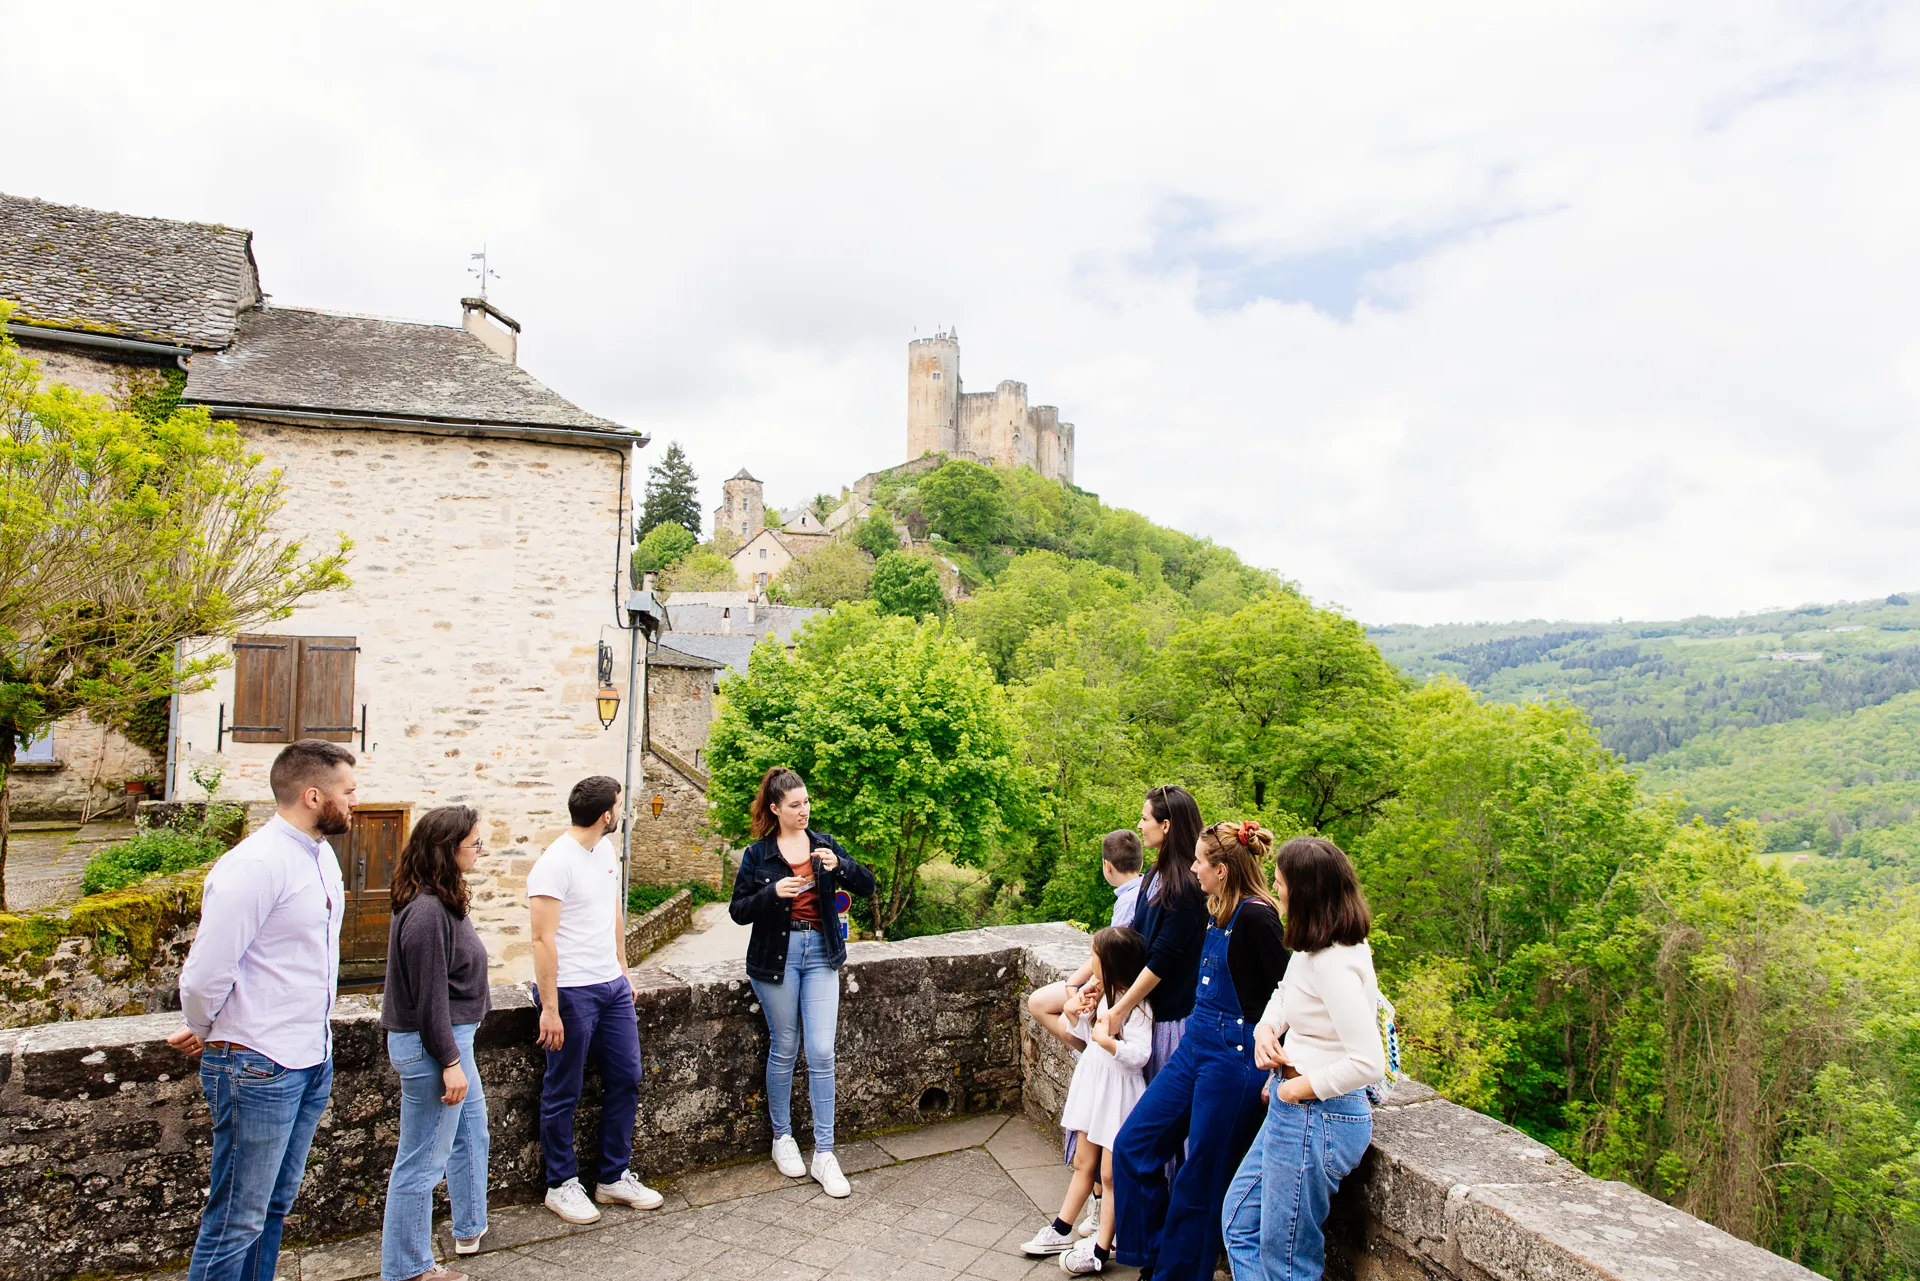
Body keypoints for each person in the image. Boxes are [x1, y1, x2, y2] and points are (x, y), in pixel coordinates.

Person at [167, 739, 356, 1281]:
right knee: (236, 1218)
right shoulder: (254, 864)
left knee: (273, 1208)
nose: (355, 802)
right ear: (313, 795)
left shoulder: (320, 856)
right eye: (349, 791)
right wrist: (206, 1027)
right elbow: (205, 972)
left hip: (309, 1056)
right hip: (257, 1062)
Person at [1111, 821, 1289, 1281]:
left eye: (1200, 862)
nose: (1192, 868)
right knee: (1134, 1145)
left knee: (1200, 1178)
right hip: (1196, 1044)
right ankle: (1156, 1255)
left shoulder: (1257, 916)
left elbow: (1288, 993)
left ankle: (1175, 1274)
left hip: (1234, 1059)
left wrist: (1278, 1068)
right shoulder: (1219, 909)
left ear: (1223, 870)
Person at [1222, 837, 1384, 1281]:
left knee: (1286, 1261)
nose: (1277, 893)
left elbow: (1369, 1061)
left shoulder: (1333, 962)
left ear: (1306, 892)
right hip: (1297, 1110)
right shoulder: (1313, 947)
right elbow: (1284, 994)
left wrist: (1294, 1087)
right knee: (1239, 1223)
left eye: (1280, 884)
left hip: (1318, 1116)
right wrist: (1265, 1029)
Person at [729, 766, 876, 1198]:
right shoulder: (758, 855)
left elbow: (866, 884)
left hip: (821, 955)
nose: (804, 811)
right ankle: (783, 1138)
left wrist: (842, 865)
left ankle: (826, 1153)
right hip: (777, 958)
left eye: (807, 802)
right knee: (786, 1045)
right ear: (775, 809)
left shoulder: (824, 845)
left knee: (821, 1050)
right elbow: (739, 910)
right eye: (795, 805)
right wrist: (774, 894)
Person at [528, 775, 664, 1224]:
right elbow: (542, 939)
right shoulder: (554, 863)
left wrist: (623, 971)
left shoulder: (605, 851)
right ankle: (561, 1184)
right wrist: (549, 1007)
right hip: (570, 992)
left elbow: (612, 913)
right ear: (606, 814)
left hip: (610, 988)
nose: (623, 812)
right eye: (621, 806)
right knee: (562, 1089)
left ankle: (612, 1177)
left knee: (627, 1077)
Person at [379, 805, 493, 1281]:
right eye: (474, 844)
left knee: (473, 1134)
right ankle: (408, 1270)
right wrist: (449, 1060)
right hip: (436, 1049)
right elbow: (429, 1000)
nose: (480, 851)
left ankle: (469, 1226)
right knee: (422, 1164)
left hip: (451, 1042)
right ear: (448, 850)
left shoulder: (438, 899)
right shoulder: (427, 911)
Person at [1024, 827, 1147, 1236]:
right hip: (1106, 985)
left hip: (1113, 989)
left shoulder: (1131, 902)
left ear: (1107, 867)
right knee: (1050, 1008)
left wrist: (1081, 987)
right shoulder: (1141, 891)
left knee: (1040, 1004)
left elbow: (1110, 954)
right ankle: (1088, 1049)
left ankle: (1089, 1051)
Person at [1019, 927, 1151, 1269]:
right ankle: (1061, 1228)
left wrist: (1108, 1038)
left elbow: (1139, 1055)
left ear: (1111, 963)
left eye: (1093, 957)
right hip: (1093, 1086)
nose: (1089, 965)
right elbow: (1084, 1038)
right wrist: (1078, 1014)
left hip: (1118, 1095)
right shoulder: (1103, 997)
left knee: (1109, 1174)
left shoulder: (1137, 1008)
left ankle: (1102, 1248)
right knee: (1083, 1163)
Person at [1102, 786, 1210, 1080]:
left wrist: (1119, 1010)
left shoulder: (1186, 886)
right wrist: (1100, 985)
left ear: (1165, 825)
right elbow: (1136, 938)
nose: (1139, 826)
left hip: (1170, 1021)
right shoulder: (1153, 874)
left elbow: (1162, 959)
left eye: (1144, 818)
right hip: (1147, 1011)